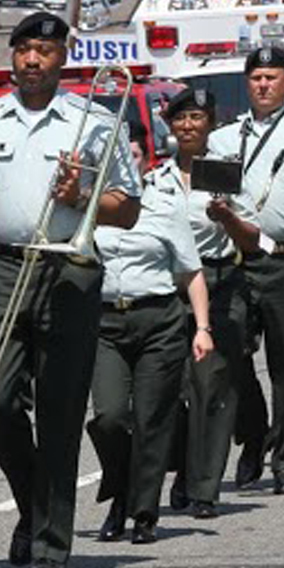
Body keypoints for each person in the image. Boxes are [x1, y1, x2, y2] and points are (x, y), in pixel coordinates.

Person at [0, 11, 141, 568]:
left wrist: (84, 196)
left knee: (59, 409)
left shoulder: (96, 122)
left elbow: (128, 209)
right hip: (3, 267)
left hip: (70, 269)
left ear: (62, 59)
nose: (32, 60)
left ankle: (52, 543)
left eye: (44, 52)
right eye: (24, 49)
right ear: (12, 56)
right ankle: (33, 503)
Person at [205, 45, 284, 495]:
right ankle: (254, 431)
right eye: (256, 78)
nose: (263, 85)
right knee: (229, 351)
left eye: (272, 77)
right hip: (240, 258)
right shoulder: (224, 139)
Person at [88, 125, 214, 545]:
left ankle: (142, 512)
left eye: (133, 156)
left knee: (151, 419)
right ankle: (120, 488)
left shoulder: (163, 205)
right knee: (109, 417)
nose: (125, 165)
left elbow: (191, 270)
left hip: (157, 319)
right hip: (103, 321)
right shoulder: (85, 206)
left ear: (146, 160)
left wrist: (201, 328)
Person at [167, 88, 245, 519]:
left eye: (197, 117)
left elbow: (255, 238)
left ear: (211, 123)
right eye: (181, 118)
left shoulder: (225, 173)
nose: (189, 126)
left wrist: (228, 218)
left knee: (210, 386)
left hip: (217, 283)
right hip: (167, 288)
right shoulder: (156, 176)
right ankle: (182, 467)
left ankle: (204, 488)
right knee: (169, 391)